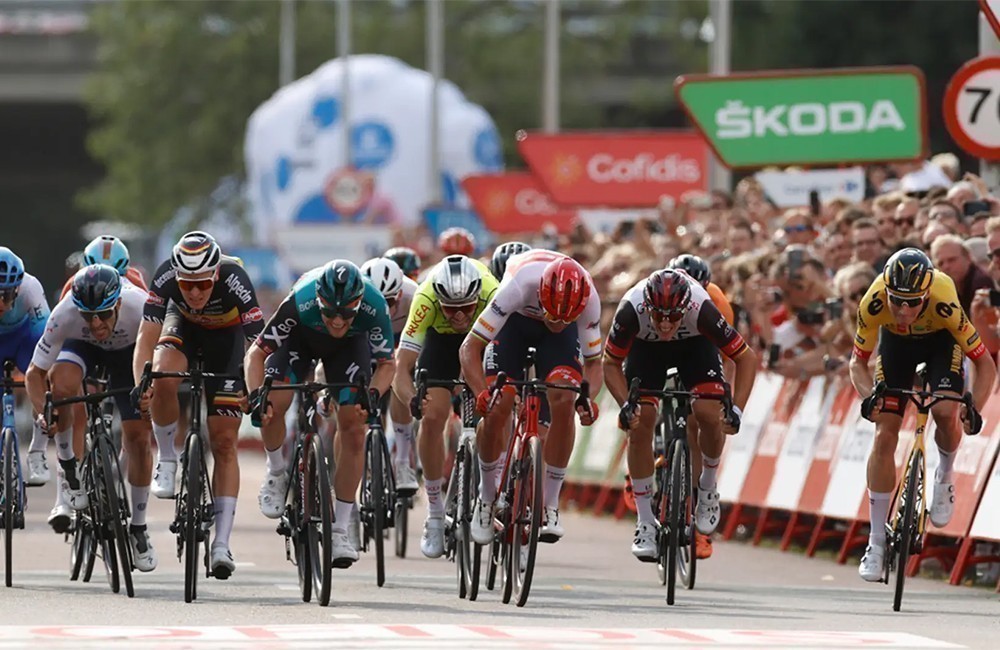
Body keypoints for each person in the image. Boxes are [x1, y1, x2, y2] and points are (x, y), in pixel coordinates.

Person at [850, 248, 996, 582]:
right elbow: (856, 362)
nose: (902, 310)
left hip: (941, 343)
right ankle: (875, 541)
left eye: (912, 302)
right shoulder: (872, 303)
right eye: (896, 300)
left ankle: (945, 475)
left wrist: (973, 405)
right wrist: (867, 396)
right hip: (896, 348)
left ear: (926, 294)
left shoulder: (944, 299)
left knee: (946, 410)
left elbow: (985, 363)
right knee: (884, 432)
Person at [132, 231, 265, 579]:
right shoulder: (164, 278)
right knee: (162, 375)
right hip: (183, 331)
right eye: (186, 284)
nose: (194, 292)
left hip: (228, 343)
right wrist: (140, 384)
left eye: (203, 284)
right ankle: (167, 457)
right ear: (176, 275)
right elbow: (146, 339)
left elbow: (257, 344)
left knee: (223, 440)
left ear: (216, 276)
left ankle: (221, 544)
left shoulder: (236, 280)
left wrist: (255, 389)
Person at [245, 260, 394, 568]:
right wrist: (257, 395)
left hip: (349, 350)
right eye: (331, 313)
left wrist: (374, 395)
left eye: (346, 314)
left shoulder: (374, 305)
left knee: (354, 427)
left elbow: (387, 365)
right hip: (299, 341)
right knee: (273, 403)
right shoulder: (300, 301)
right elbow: (257, 354)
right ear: (320, 302)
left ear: (358, 305)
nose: (338, 321)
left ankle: (340, 529)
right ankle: (275, 471)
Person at [603, 269, 757, 561]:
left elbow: (746, 357)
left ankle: (708, 488)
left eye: (673, 317)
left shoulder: (702, 310)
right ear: (647, 306)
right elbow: (610, 362)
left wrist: (736, 408)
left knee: (709, 413)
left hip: (693, 348)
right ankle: (646, 522)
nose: (664, 324)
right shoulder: (631, 309)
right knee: (640, 423)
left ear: (685, 308)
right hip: (646, 352)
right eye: (658, 316)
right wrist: (625, 404)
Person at [459, 251, 602, 546]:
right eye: (553, 315)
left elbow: (594, 364)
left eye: (568, 318)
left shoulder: (588, 299)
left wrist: (586, 399)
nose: (559, 322)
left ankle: (550, 505)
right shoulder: (518, 285)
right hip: (516, 323)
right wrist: (480, 393)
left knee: (564, 399)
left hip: (557, 344)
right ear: (542, 295)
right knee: (498, 404)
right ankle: (486, 500)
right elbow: (469, 348)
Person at [24, 265, 157, 571]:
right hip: (81, 348)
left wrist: (148, 391)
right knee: (62, 386)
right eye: (88, 316)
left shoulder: (141, 305)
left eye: (104, 314)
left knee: (138, 437)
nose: (96, 323)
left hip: (129, 353)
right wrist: (44, 412)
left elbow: (157, 357)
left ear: (119, 304)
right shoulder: (66, 311)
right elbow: (34, 374)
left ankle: (138, 528)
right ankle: (70, 469)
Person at [392, 255, 498, 558]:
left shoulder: (492, 292)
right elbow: (402, 369)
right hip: (439, 344)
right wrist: (412, 398)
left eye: (466, 307)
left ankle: (491, 492)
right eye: (451, 309)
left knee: (495, 408)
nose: (460, 315)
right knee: (433, 415)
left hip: (482, 340)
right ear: (439, 301)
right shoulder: (425, 298)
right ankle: (435, 513)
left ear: (476, 296)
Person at [360, 257, 420, 493]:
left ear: (399, 295)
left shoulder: (413, 295)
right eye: (378, 301)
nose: (384, 308)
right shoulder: (357, 296)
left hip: (401, 344)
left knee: (399, 378)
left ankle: (403, 461)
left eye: (389, 301)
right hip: (367, 344)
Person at [0, 247, 50, 486]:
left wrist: (42, 372)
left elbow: (48, 335)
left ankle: (37, 451)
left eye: (7, 296)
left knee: (44, 378)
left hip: (24, 338)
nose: (1, 303)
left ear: (18, 288)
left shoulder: (31, 287)